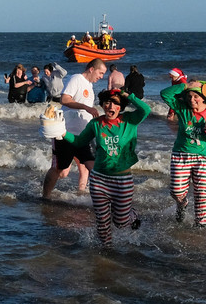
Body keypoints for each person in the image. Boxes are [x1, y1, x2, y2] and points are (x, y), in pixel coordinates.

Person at [58, 89, 150, 246]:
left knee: (120, 222)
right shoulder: (96, 124)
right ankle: (107, 249)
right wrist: (61, 132)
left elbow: (146, 110)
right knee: (102, 221)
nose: (111, 106)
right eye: (107, 102)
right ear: (102, 105)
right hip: (99, 180)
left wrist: (127, 94)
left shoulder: (130, 120)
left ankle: (132, 215)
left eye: (115, 103)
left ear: (121, 107)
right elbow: (80, 142)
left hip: (123, 180)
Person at [42, 59, 106, 198]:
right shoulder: (76, 78)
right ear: (91, 69)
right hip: (66, 134)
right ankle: (45, 197)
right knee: (60, 171)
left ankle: (91, 198)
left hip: (85, 136)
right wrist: (86, 107)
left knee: (91, 168)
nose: (101, 76)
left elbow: (86, 113)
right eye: (100, 73)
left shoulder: (89, 85)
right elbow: (64, 99)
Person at [161, 79, 206, 225]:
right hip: (181, 155)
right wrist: (186, 85)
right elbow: (165, 94)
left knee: (202, 194)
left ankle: (200, 223)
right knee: (176, 192)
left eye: (195, 97)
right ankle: (182, 204)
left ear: (203, 98)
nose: (192, 100)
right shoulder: (182, 108)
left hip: (203, 157)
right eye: (189, 97)